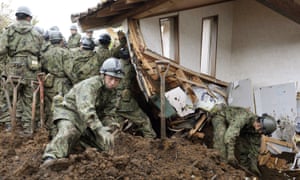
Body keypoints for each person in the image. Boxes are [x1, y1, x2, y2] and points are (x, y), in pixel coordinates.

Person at [41, 57, 124, 167]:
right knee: (69, 131)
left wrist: (110, 126)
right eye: (110, 78)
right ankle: (51, 156)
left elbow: (108, 114)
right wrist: (99, 129)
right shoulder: (90, 85)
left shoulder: (113, 93)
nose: (113, 82)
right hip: (70, 112)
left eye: (117, 80)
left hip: (88, 121)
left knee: (105, 145)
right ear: (103, 75)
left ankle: (79, 141)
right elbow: (85, 109)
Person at [0, 6, 43, 131]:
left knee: (9, 95)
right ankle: (28, 126)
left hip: (14, 66)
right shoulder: (37, 33)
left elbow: (1, 50)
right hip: (32, 67)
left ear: (17, 16)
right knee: (29, 98)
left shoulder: (8, 31)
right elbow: (42, 53)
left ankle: (9, 124)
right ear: (29, 17)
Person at [102, 47, 156, 138]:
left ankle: (111, 145)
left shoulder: (113, 65)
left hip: (112, 102)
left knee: (116, 126)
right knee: (144, 120)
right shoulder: (130, 68)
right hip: (125, 103)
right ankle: (151, 142)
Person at [210, 105, 277, 176]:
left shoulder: (257, 131)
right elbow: (230, 136)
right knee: (221, 145)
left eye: (261, 131)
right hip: (222, 118)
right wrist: (230, 155)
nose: (258, 130)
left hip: (237, 128)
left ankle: (243, 168)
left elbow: (254, 147)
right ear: (259, 120)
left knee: (244, 147)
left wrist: (254, 167)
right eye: (258, 126)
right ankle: (217, 169)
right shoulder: (243, 117)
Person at [41, 30, 72, 137]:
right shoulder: (65, 53)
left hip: (49, 83)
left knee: (50, 107)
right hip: (62, 84)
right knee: (62, 109)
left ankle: (51, 131)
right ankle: (60, 133)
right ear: (60, 40)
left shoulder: (45, 54)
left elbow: (43, 68)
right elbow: (69, 71)